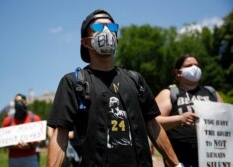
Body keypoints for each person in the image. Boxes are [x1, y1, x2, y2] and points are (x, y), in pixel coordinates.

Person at [47, 9, 183, 167]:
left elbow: (153, 126)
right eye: (98, 28)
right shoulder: (73, 82)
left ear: (116, 40)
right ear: (85, 42)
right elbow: (60, 136)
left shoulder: (135, 79)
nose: (106, 32)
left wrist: (176, 164)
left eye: (112, 28)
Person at [155, 54, 223, 167]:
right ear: (178, 72)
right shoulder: (169, 93)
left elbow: (226, 121)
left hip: (212, 158)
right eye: (189, 65)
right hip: (181, 160)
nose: (194, 68)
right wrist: (179, 119)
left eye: (196, 65)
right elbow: (153, 122)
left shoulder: (211, 92)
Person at [2, 93, 41, 167]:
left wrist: (29, 146)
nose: (18, 104)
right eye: (16, 102)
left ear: (26, 102)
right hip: (13, 159)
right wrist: (15, 146)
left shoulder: (35, 119)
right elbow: (2, 141)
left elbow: (40, 140)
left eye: (20, 101)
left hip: (30, 157)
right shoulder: (7, 121)